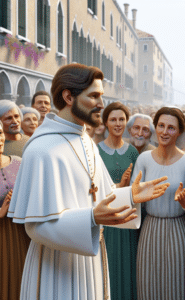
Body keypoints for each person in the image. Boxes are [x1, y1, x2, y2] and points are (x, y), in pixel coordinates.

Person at [7, 64, 170, 300]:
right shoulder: (41, 149)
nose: (101, 104)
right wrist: (90, 218)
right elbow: (35, 227)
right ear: (68, 97)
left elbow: (99, 197)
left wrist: (129, 196)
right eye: (94, 96)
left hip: (91, 260)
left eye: (101, 96)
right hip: (56, 267)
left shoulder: (86, 141)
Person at [133, 106, 185, 300]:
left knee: (178, 288)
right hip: (149, 230)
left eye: (171, 127)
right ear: (155, 127)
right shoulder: (144, 159)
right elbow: (133, 197)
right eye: (161, 126)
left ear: (180, 131)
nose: (165, 132)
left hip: (178, 231)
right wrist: (135, 195)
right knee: (148, 287)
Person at [97, 101, 140, 300]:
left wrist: (128, 188)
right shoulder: (96, 151)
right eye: (113, 119)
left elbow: (137, 188)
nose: (118, 123)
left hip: (127, 217)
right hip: (105, 218)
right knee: (107, 265)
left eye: (121, 119)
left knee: (127, 264)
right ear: (105, 122)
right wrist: (118, 185)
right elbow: (93, 187)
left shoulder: (133, 152)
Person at [0, 120, 31, 300]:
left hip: (21, 233)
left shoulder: (19, 163)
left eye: (0, 133)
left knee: (21, 282)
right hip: (2, 235)